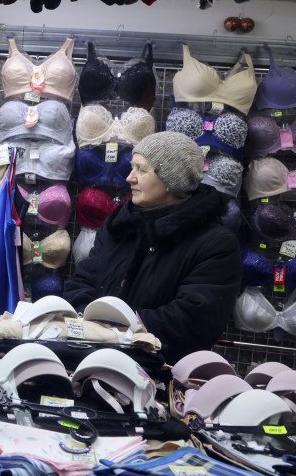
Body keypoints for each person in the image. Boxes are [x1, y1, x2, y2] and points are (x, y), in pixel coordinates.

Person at [64, 131, 241, 362]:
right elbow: (83, 279)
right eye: (132, 167)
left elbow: (192, 320)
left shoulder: (214, 243)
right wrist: (90, 324)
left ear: (170, 181)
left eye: (141, 169)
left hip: (157, 372)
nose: (130, 178)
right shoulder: (120, 226)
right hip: (89, 359)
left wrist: (112, 330)